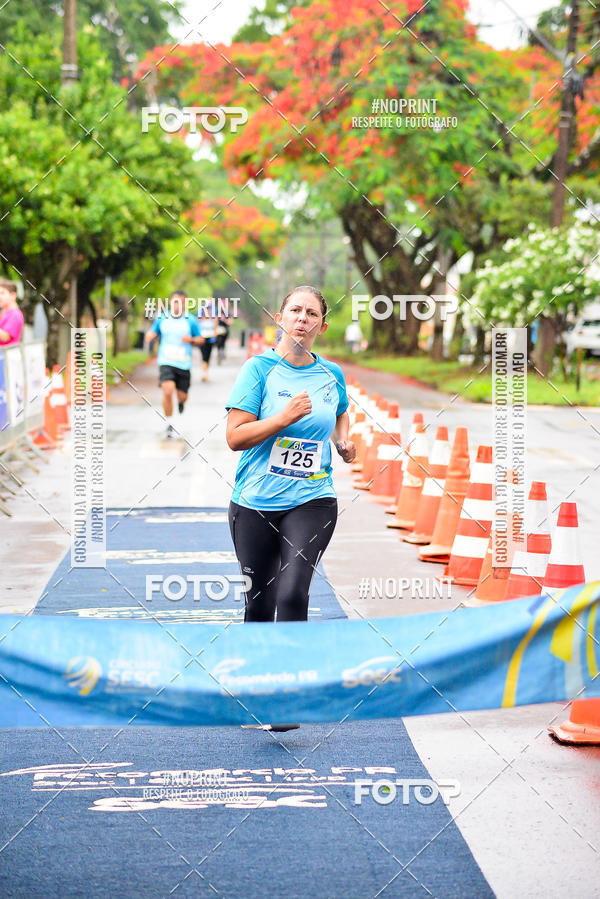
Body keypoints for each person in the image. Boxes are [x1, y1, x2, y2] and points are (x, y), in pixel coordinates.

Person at [226, 285, 356, 733]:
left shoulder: (331, 373)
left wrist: (343, 440)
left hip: (314, 499)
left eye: (311, 313)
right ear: (278, 317)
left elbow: (341, 409)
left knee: (292, 591)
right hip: (255, 502)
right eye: (295, 310)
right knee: (258, 599)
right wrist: (282, 418)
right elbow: (235, 437)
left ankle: (287, 694)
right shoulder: (258, 370)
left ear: (323, 325)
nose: (302, 318)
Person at [144, 290, 203, 438]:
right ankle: (169, 423)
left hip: (183, 363)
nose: (178, 305)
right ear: (170, 302)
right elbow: (153, 332)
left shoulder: (190, 319)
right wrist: (150, 335)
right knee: (167, 390)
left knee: (182, 396)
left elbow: (200, 339)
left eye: (181, 302)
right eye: (175, 301)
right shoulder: (162, 318)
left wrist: (191, 340)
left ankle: (181, 403)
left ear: (185, 303)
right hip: (166, 361)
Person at [0, 280, 24, 346]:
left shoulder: (15, 314)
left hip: (6, 354)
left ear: (13, 295)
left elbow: (5, 337)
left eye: (2, 293)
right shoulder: (4, 312)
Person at [197, 307, 218, 381]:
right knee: (204, 357)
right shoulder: (200, 319)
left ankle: (205, 372)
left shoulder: (213, 319)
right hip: (202, 340)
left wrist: (214, 335)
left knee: (207, 357)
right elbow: (196, 330)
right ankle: (204, 374)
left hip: (210, 340)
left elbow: (216, 330)